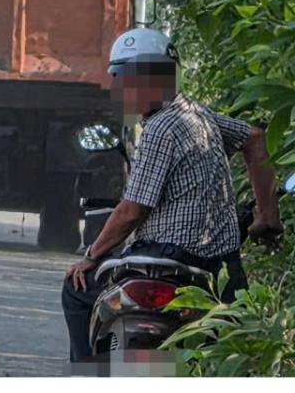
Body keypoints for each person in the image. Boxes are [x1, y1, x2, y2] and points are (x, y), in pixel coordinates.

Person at [61, 27, 283, 362]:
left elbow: (132, 211)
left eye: (126, 79)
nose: (121, 88)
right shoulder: (197, 114)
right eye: (120, 78)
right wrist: (268, 216)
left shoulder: (159, 128)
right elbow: (255, 138)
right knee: (239, 339)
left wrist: (91, 255)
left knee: (76, 291)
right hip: (220, 264)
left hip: (165, 257)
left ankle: (89, 375)